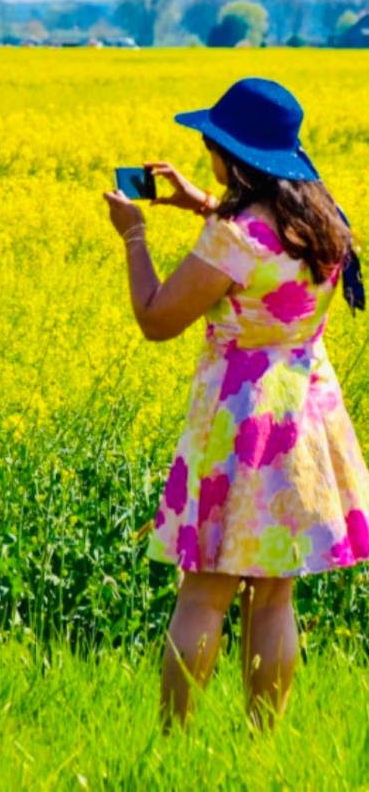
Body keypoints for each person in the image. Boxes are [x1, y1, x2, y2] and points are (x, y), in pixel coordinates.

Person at [103, 77, 369, 730]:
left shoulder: (234, 234)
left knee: (205, 589)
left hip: (239, 421)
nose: (206, 151)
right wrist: (200, 202)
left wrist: (134, 235)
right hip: (302, 414)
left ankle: (173, 740)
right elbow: (264, 249)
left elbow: (157, 317)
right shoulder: (321, 218)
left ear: (233, 153)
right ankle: (261, 740)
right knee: (274, 595)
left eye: (212, 144)